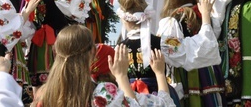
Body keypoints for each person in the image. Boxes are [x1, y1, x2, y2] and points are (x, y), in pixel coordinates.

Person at [37, 25, 175, 107]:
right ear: (92, 52)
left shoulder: (45, 95)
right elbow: (165, 104)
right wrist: (159, 74)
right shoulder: (103, 94)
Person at [25, 0, 112, 87]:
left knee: (38, 85)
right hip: (58, 41)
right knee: (62, 79)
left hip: (37, 45)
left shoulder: (30, 1)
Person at [157, 0, 223, 107]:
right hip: (209, 73)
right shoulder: (203, 14)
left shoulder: (171, 21)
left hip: (186, 75)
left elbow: (170, 51)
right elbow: (215, 35)